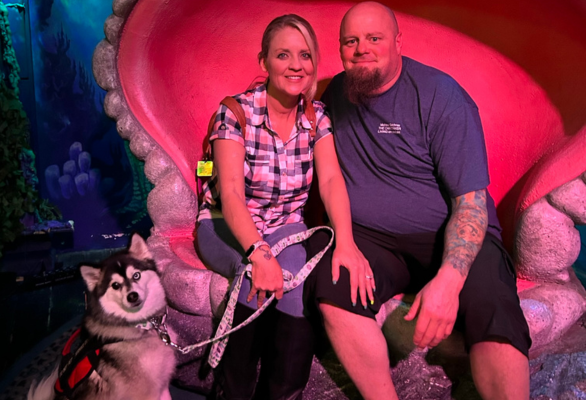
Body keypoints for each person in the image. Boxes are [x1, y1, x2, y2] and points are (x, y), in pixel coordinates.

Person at [304, 2, 532, 400]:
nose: (361, 49)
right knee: (333, 283)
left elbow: (472, 202)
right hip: (373, 241)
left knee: (494, 308)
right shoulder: (339, 92)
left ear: (397, 43)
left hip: (449, 235)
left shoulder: (442, 97)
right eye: (350, 41)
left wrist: (449, 279)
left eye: (374, 39)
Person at [195, 14, 369, 400]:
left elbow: (331, 181)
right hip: (227, 224)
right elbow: (232, 196)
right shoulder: (236, 112)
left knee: (298, 286)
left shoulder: (316, 116)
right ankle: (233, 393)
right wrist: (258, 253)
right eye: (283, 55)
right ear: (264, 63)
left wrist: (346, 242)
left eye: (305, 55)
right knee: (250, 279)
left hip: (285, 225)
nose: (296, 65)